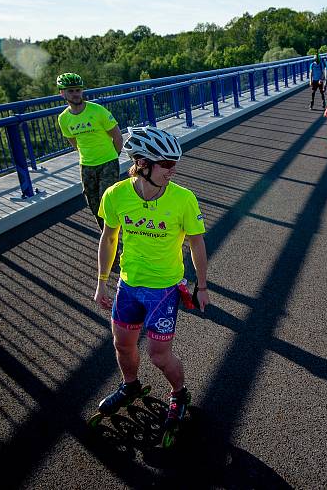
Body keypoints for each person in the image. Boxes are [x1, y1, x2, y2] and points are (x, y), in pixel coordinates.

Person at [92, 126, 209, 443]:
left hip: (164, 290)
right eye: (166, 164)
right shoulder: (116, 195)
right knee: (122, 345)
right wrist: (102, 281)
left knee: (159, 355)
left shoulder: (183, 199)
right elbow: (109, 237)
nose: (174, 170)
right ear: (142, 164)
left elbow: (196, 243)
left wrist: (202, 285)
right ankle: (129, 385)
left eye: (175, 164)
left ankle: (179, 393)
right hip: (128, 287)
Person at [57, 72, 123, 229]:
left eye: (78, 90)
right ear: (62, 93)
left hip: (108, 162)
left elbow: (118, 137)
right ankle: (108, 240)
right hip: (86, 165)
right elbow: (73, 141)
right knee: (94, 206)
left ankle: (123, 232)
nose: (75, 94)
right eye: (70, 91)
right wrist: (85, 156)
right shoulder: (63, 119)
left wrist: (113, 157)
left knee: (107, 202)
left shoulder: (97, 111)